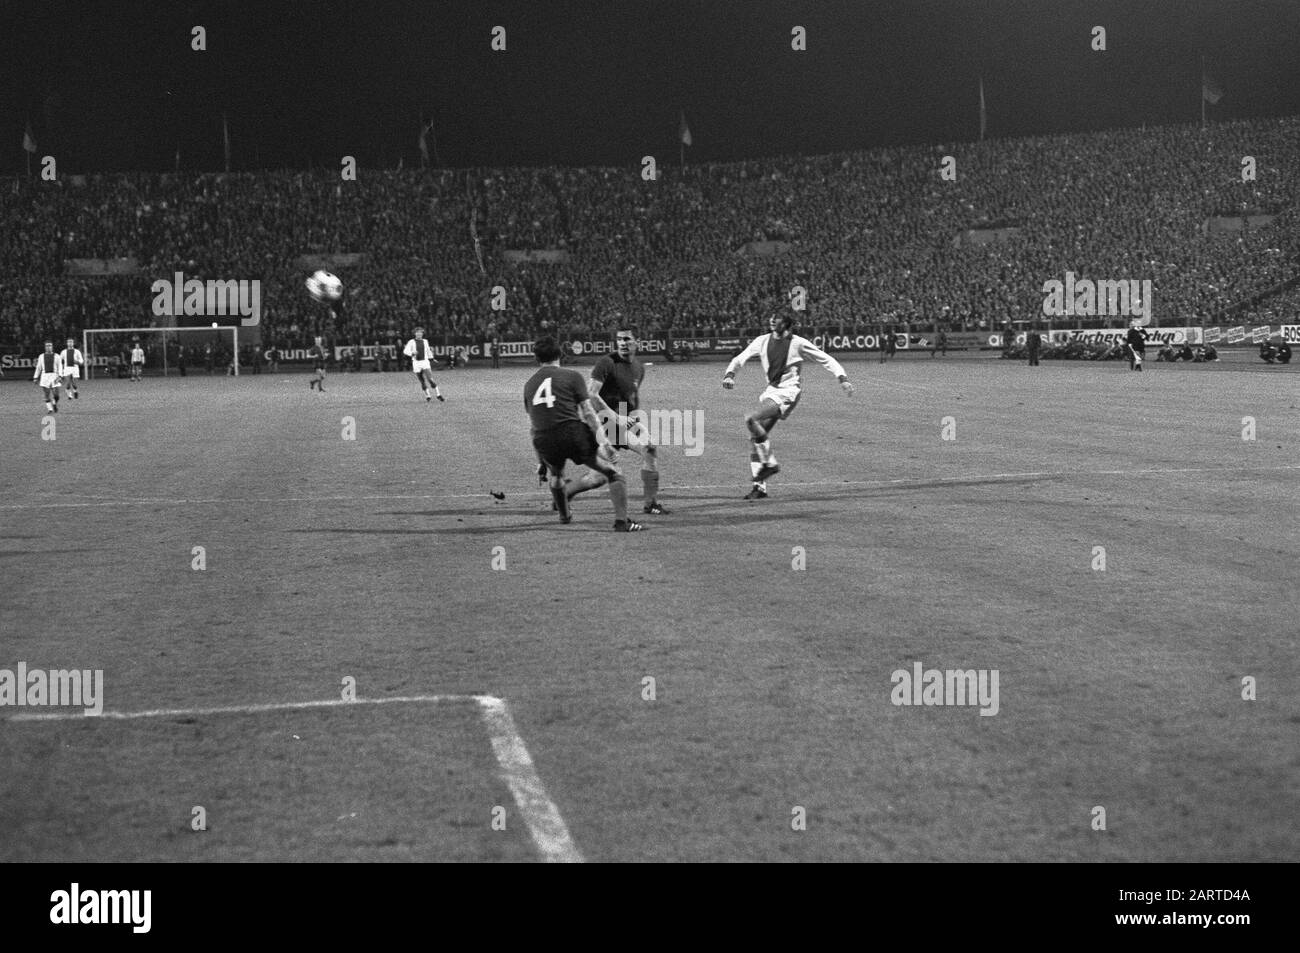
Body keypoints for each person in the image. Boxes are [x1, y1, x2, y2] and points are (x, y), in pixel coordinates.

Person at [722, 312, 855, 499]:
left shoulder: (798, 343)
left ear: (786, 324)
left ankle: (771, 464)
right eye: (770, 318)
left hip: (788, 392)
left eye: (776, 319)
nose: (771, 320)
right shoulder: (762, 341)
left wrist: (843, 379)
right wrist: (730, 374)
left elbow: (826, 359)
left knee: (751, 418)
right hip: (771, 391)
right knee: (757, 438)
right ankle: (759, 488)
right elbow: (739, 359)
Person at [524, 337, 645, 532]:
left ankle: (564, 516)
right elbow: (588, 412)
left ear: (536, 358)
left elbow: (533, 426)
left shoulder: (529, 385)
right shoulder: (572, 376)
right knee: (613, 472)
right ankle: (622, 522)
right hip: (572, 433)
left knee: (556, 475)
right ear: (560, 354)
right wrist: (605, 444)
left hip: (544, 439)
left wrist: (540, 463)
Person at [563, 325, 669, 515]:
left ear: (637, 342)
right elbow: (591, 395)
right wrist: (615, 417)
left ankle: (650, 503)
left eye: (627, 339)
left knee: (649, 447)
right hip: (603, 423)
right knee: (600, 477)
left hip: (624, 421)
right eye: (620, 339)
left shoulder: (639, 367)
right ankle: (566, 492)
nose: (623, 343)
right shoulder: (606, 363)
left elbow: (630, 397)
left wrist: (631, 418)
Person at [403, 327, 445, 402]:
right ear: (415, 333)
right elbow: (406, 351)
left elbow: (428, 350)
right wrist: (412, 353)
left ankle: (438, 394)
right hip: (416, 363)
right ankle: (428, 395)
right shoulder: (411, 342)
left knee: (430, 379)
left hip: (425, 362)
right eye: (417, 332)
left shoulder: (425, 341)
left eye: (420, 332)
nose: (419, 334)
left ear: (422, 334)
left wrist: (431, 358)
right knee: (422, 381)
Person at [32, 341, 64, 414]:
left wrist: (60, 376)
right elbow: (38, 367)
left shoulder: (57, 356)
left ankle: (54, 403)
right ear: (45, 347)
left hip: (54, 376)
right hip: (45, 376)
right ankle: (50, 409)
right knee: (47, 394)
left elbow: (60, 367)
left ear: (52, 347)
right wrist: (35, 377)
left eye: (50, 345)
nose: (48, 347)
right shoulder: (41, 356)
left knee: (57, 395)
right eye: (47, 346)